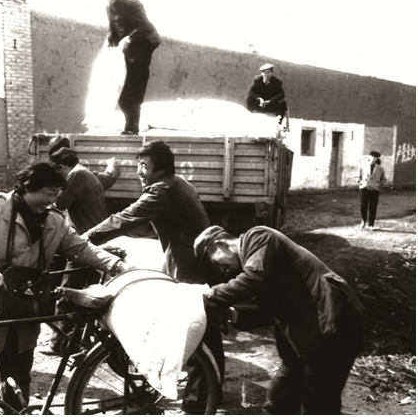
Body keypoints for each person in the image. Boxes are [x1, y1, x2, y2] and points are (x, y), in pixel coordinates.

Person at [0, 162, 132, 414]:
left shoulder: (54, 220)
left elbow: (79, 247)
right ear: (27, 187)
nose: (53, 198)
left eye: (57, 192)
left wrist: (114, 264)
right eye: (49, 192)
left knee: (17, 386)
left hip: (24, 314)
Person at [84, 140, 226, 395]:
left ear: (160, 169)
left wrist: (85, 238)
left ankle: (201, 396)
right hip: (196, 260)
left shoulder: (162, 190)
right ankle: (206, 390)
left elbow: (126, 218)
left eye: (144, 166)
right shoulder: (177, 182)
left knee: (197, 327)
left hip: (189, 265)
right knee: (202, 326)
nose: (139, 171)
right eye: (138, 165)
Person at [194, 225, 365, 414]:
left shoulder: (258, 237)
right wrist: (233, 314)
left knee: (318, 402)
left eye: (215, 262)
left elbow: (254, 278)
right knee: (280, 399)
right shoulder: (253, 264)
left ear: (221, 244)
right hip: (307, 334)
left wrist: (207, 297)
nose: (222, 270)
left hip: (333, 322)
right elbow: (268, 311)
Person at [43, 146, 121, 355]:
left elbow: (59, 204)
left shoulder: (76, 175)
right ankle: (82, 340)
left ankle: (60, 344)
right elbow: (107, 179)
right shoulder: (87, 174)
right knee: (87, 292)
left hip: (83, 243)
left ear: (62, 167)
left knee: (67, 293)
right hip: (96, 241)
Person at [106, 0, 161, 135]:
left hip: (140, 50)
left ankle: (131, 128)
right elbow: (112, 29)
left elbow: (145, 25)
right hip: (124, 52)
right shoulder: (109, 6)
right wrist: (109, 43)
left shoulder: (133, 3)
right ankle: (130, 127)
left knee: (133, 91)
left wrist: (129, 39)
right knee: (121, 92)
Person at [357, 150, 386, 230]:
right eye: (372, 156)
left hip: (374, 190)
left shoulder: (380, 168)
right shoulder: (363, 166)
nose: (373, 158)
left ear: (377, 159)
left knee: (373, 207)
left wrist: (379, 184)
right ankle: (363, 220)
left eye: (375, 157)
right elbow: (357, 176)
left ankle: (371, 224)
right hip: (364, 188)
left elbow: (384, 179)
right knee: (363, 206)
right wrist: (360, 181)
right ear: (369, 157)